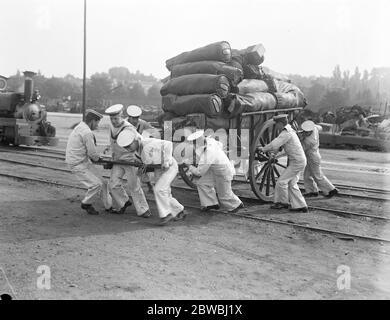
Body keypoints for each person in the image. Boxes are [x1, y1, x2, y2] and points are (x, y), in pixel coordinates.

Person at [116, 130, 186, 225]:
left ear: (136, 140)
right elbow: (147, 162)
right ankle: (179, 210)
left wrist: (166, 160)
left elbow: (168, 144)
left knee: (159, 190)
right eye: (125, 148)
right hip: (158, 168)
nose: (128, 149)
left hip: (169, 167)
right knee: (163, 192)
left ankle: (166, 214)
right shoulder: (136, 151)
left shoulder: (148, 144)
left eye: (129, 146)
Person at [105, 104, 150, 216]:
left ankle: (144, 210)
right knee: (113, 184)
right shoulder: (111, 127)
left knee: (134, 186)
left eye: (116, 118)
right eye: (111, 119)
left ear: (121, 116)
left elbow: (141, 142)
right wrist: (109, 149)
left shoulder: (129, 128)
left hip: (131, 161)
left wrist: (142, 159)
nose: (114, 121)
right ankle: (124, 202)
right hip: (118, 160)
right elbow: (112, 141)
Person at [256, 114, 308, 212]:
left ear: (280, 123)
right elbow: (279, 147)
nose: (276, 126)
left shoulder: (286, 133)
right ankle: (300, 206)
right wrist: (273, 153)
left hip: (296, 162)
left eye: (277, 124)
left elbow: (275, 144)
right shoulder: (289, 131)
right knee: (292, 183)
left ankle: (283, 203)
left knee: (281, 182)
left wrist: (263, 149)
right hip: (298, 161)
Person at [65, 109, 112, 215]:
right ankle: (86, 203)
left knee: (104, 183)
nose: (97, 125)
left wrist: (98, 159)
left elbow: (91, 154)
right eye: (97, 122)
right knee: (96, 184)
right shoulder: (87, 132)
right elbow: (93, 154)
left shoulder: (80, 126)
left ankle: (109, 206)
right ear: (92, 121)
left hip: (82, 161)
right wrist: (102, 161)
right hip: (77, 164)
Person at [186, 130, 243, 213]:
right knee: (203, 183)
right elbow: (220, 144)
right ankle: (211, 204)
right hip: (215, 170)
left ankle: (236, 205)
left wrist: (188, 166)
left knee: (224, 194)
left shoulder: (209, 152)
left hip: (224, 171)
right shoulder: (210, 141)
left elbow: (199, 172)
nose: (193, 145)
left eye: (194, 143)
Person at [299, 120, 338, 198]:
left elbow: (300, 148)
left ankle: (331, 190)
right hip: (313, 156)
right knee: (307, 175)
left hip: (312, 157)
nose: (305, 133)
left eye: (307, 132)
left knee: (317, 175)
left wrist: (299, 138)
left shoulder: (309, 141)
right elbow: (320, 127)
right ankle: (312, 191)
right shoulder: (315, 128)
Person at [126, 105, 158, 193]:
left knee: (143, 166)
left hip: (138, 150)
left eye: (137, 118)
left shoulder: (142, 123)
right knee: (135, 170)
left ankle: (147, 185)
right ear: (129, 117)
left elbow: (153, 131)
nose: (136, 121)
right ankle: (142, 187)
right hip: (126, 151)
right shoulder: (123, 124)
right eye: (134, 118)